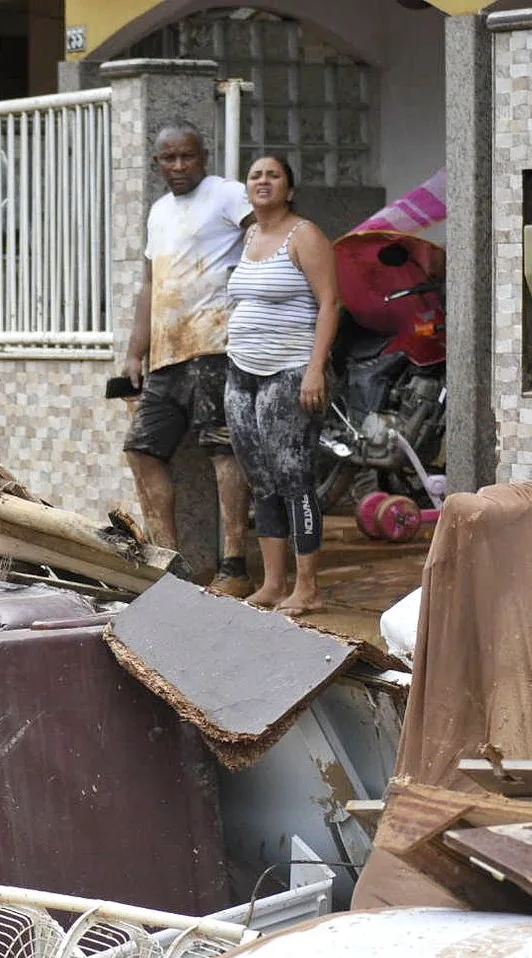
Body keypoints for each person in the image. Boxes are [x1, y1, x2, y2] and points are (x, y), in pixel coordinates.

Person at [118, 122, 255, 596]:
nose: (179, 167)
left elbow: (265, 237)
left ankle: (234, 566)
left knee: (223, 449)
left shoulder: (228, 194)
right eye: (169, 159)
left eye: (187, 157)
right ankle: (168, 566)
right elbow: (152, 286)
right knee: (142, 449)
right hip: (167, 357)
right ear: (156, 163)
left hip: (219, 347)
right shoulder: (158, 212)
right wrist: (136, 351)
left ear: (204, 155)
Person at [224, 155, 341, 616]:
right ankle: (274, 584)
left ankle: (308, 587)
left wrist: (316, 369)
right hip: (241, 372)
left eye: (273, 175)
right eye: (255, 176)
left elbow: (331, 303)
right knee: (260, 479)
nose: (263, 181)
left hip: (289, 372)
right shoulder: (250, 234)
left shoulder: (304, 235)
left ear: (290, 190)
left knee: (294, 477)